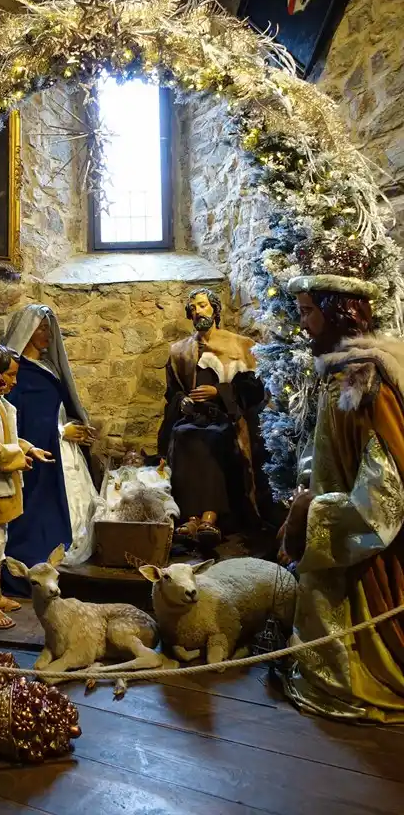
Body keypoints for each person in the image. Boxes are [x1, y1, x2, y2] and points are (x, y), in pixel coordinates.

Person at [281, 252, 404, 722]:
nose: (304, 324)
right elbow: (326, 450)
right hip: (331, 526)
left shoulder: (368, 383)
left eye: (309, 311)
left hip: (367, 556)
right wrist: (305, 490)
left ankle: (361, 677)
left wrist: (315, 513)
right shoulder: (337, 374)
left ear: (337, 311)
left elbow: (384, 494)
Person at [158, 288, 270, 549]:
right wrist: (183, 402)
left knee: (212, 438)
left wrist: (219, 392)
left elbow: (253, 388)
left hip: (225, 419)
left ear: (215, 309)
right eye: (193, 308)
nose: (198, 311)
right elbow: (172, 393)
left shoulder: (240, 345)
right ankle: (191, 518)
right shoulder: (180, 350)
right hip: (193, 418)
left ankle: (211, 516)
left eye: (202, 305)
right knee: (183, 435)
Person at [2, 304, 97, 595]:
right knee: (36, 517)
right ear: (26, 331)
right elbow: (17, 420)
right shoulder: (17, 372)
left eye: (48, 327)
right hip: (35, 453)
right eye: (41, 327)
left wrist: (71, 427)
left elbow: (53, 411)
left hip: (61, 449)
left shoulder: (49, 368)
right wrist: (60, 432)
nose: (47, 334)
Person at [0, 344, 54, 631]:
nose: (13, 382)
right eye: (9, 375)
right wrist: (16, 456)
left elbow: (10, 437)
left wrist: (29, 448)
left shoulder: (1, 405)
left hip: (5, 486)